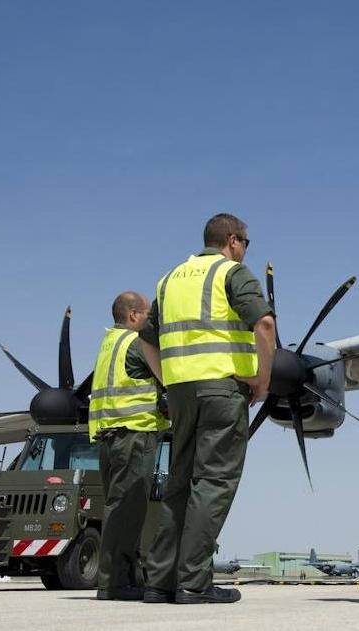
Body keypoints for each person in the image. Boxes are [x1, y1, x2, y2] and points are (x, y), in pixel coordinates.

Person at [139, 213, 276, 604]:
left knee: (179, 484)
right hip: (222, 391)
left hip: (181, 393)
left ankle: (158, 582)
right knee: (212, 483)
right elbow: (263, 325)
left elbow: (145, 340)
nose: (247, 251)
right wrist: (262, 380)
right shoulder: (232, 274)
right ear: (232, 240)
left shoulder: (168, 281)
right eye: (246, 243)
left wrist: (168, 379)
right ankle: (193, 583)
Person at [88, 291, 169, 601]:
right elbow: (169, 373)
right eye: (147, 314)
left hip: (109, 438)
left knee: (118, 507)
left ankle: (125, 578)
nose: (150, 321)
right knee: (127, 511)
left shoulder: (109, 344)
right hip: (133, 436)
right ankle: (115, 583)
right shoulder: (137, 345)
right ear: (133, 315)